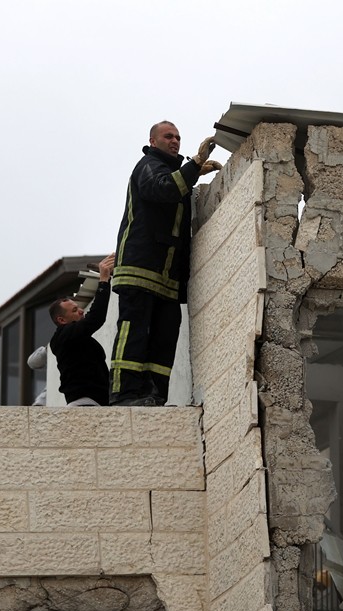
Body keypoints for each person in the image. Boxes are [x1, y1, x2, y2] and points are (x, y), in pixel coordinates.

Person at [109, 120, 221, 406]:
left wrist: (193, 173)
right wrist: (196, 163)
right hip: (140, 270)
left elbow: (176, 187)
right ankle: (124, 394)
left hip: (166, 278)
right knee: (134, 333)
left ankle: (153, 395)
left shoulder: (169, 169)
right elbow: (165, 189)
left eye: (178, 137)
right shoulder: (148, 165)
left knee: (164, 339)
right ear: (153, 140)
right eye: (168, 136)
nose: (175, 141)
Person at [50, 253, 116, 406]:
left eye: (78, 307)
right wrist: (104, 281)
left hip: (96, 403)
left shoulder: (74, 338)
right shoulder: (63, 336)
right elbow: (95, 318)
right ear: (61, 320)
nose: (81, 310)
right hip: (85, 404)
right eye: (74, 310)